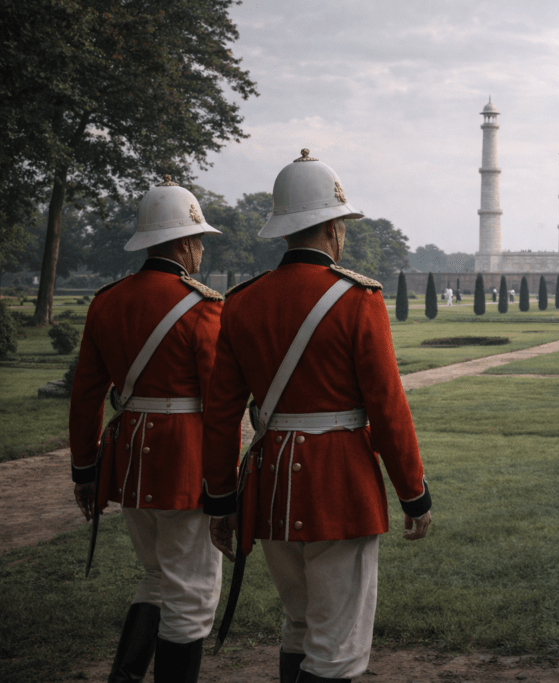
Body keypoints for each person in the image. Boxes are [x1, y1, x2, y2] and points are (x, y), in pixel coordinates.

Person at [202, 150, 432, 683]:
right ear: (332, 228)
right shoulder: (358, 298)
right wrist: (413, 492)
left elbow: (220, 414)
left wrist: (221, 499)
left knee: (299, 625)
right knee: (337, 649)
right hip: (340, 485)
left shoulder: (241, 301)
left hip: (271, 483)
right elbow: (388, 408)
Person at [70, 176, 226, 683]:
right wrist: (225, 484)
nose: (201, 248)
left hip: (130, 460)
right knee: (193, 594)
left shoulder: (106, 301)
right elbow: (219, 403)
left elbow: (86, 395)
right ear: (182, 242)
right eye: (198, 238)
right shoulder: (202, 306)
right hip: (185, 463)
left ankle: (126, 677)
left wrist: (85, 470)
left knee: (158, 576)